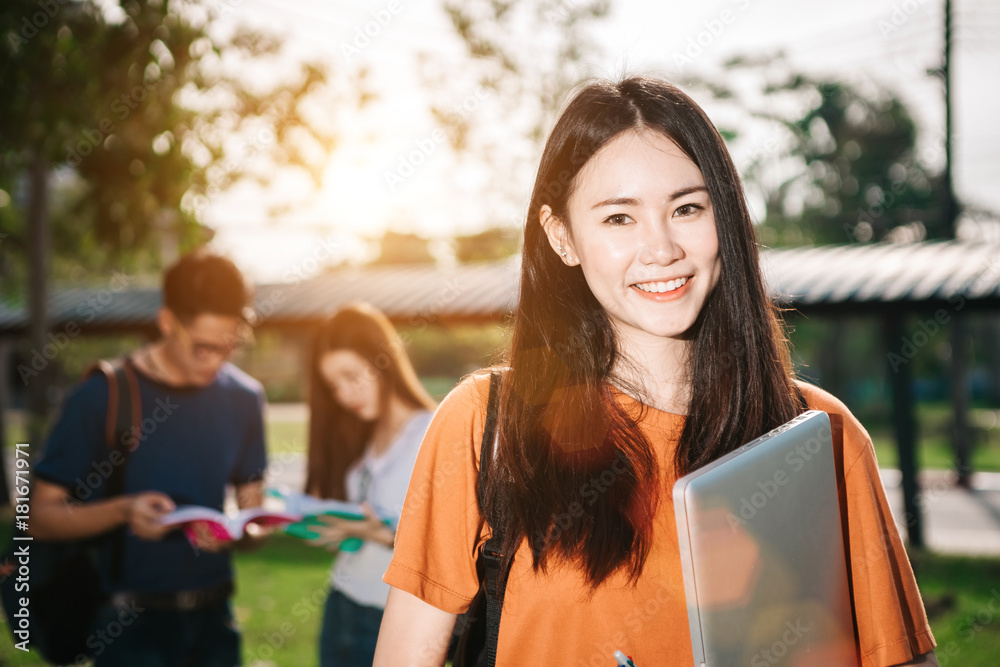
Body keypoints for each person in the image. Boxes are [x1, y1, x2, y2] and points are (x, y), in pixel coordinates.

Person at [373, 76, 939, 666]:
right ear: (562, 237)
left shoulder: (819, 434)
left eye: (688, 208)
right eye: (619, 219)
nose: (661, 247)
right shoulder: (485, 424)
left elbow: (898, 658)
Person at [29, 250, 269, 666]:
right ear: (166, 322)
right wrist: (124, 511)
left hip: (217, 625)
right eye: (202, 347)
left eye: (229, 345)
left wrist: (241, 533)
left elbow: (254, 515)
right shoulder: (99, 397)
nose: (217, 359)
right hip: (128, 628)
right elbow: (38, 517)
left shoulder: (245, 398)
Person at [303, 302, 436, 666]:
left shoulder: (434, 432)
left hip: (392, 617)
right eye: (334, 386)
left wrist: (381, 534)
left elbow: (453, 541)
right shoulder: (358, 434)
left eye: (351, 376)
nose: (344, 395)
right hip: (341, 602)